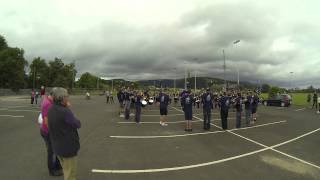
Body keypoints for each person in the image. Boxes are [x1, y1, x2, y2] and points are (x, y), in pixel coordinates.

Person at [48, 87, 81, 180]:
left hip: (57, 146)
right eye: (67, 96)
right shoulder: (65, 111)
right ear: (62, 98)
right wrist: (68, 108)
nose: (68, 98)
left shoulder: (51, 108)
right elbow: (77, 124)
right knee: (70, 174)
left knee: (66, 170)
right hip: (68, 148)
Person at [40, 90, 63, 176]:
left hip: (49, 131)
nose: (58, 99)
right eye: (58, 97)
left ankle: (57, 166)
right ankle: (52, 171)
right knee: (52, 151)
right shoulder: (47, 104)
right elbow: (46, 121)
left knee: (56, 149)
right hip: (48, 132)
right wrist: (54, 133)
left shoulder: (50, 101)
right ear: (53, 95)